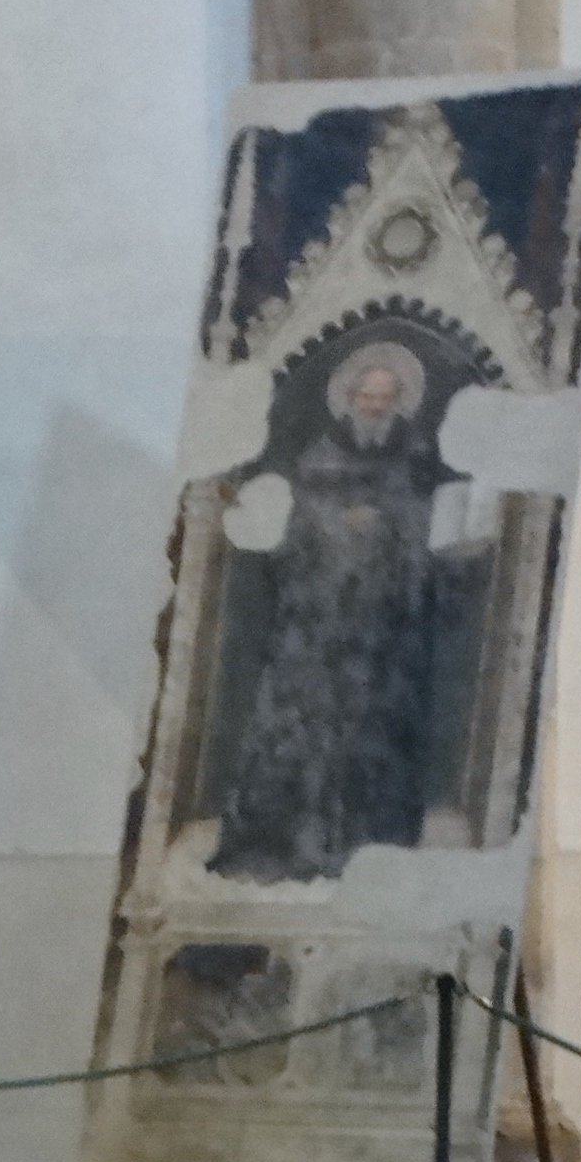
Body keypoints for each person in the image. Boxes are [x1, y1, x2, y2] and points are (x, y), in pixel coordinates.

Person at [209, 343, 473, 882]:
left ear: (400, 401)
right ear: (349, 398)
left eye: (385, 397)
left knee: (374, 733)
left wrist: (384, 525)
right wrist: (338, 524)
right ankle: (288, 844)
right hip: (319, 624)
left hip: (383, 629)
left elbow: (425, 519)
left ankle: (365, 844)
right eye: (367, 396)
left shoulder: (417, 457)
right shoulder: (319, 456)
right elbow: (299, 521)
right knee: (305, 727)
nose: (374, 407)